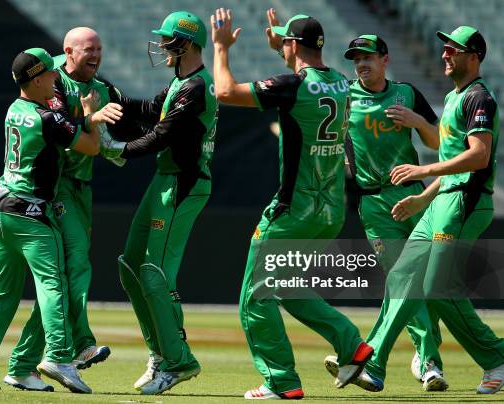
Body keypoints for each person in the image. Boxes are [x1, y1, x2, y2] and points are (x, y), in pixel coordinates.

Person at [330, 26, 504, 395]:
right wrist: (424, 198)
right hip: (436, 200)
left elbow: (479, 156)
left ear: (473, 56)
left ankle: (494, 358)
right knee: (403, 279)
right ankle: (371, 364)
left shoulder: (479, 99)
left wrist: (422, 173)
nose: (444, 54)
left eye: (453, 50)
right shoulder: (457, 96)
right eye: (444, 48)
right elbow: (451, 160)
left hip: (464, 201)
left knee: (436, 288)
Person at [212, 8, 372, 400]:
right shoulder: (342, 83)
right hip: (330, 212)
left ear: (294, 45)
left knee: (255, 297)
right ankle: (352, 345)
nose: (280, 43)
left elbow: (225, 91)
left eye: (285, 40)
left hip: (293, 211)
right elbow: (303, 86)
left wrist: (220, 49)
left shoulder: (291, 85)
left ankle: (281, 381)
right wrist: (283, 52)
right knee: (286, 286)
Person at [0, 48, 121, 394]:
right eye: (50, 74)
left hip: (1, 211)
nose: (56, 78)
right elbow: (91, 147)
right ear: (35, 80)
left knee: (0, 293)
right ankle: (60, 357)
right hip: (31, 214)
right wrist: (91, 115)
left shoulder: (14, 109)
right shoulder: (48, 118)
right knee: (55, 286)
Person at [100, 10, 218, 395]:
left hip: (184, 185)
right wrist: (112, 95)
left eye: (168, 40)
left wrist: (116, 147)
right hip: (164, 180)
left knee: (154, 272)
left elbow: (160, 135)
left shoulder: (196, 87)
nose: (162, 46)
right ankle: (160, 353)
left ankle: (179, 361)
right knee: (131, 265)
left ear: (185, 44)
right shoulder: (179, 84)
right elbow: (151, 111)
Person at [323, 35, 446, 391]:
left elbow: (438, 142)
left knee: (426, 283)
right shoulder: (345, 97)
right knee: (403, 281)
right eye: (356, 59)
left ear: (385, 59)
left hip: (414, 195)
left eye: (368, 57)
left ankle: (408, 359)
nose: (361, 64)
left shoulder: (406, 94)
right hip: (374, 203)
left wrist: (417, 123)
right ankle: (428, 362)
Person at [4, 27, 123, 390]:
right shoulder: (49, 78)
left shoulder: (103, 89)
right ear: (68, 52)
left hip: (80, 188)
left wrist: (119, 145)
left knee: (62, 278)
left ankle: (22, 362)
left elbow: (107, 135)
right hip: (56, 188)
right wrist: (91, 122)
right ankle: (80, 344)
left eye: (99, 49)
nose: (96, 55)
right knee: (73, 267)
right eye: (89, 49)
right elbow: (68, 132)